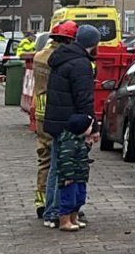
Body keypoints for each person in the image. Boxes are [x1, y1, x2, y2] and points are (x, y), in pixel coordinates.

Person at [43, 25, 101, 231]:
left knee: (55, 168)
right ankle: (60, 214)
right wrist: (92, 125)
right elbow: (84, 98)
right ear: (93, 44)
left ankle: (51, 211)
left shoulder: (62, 58)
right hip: (72, 124)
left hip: (57, 120)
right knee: (68, 170)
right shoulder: (81, 64)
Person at [24, 22, 69, 221]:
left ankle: (40, 201)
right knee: (59, 158)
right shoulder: (58, 58)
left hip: (39, 106)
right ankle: (55, 202)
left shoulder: (39, 55)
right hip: (54, 108)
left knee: (43, 157)